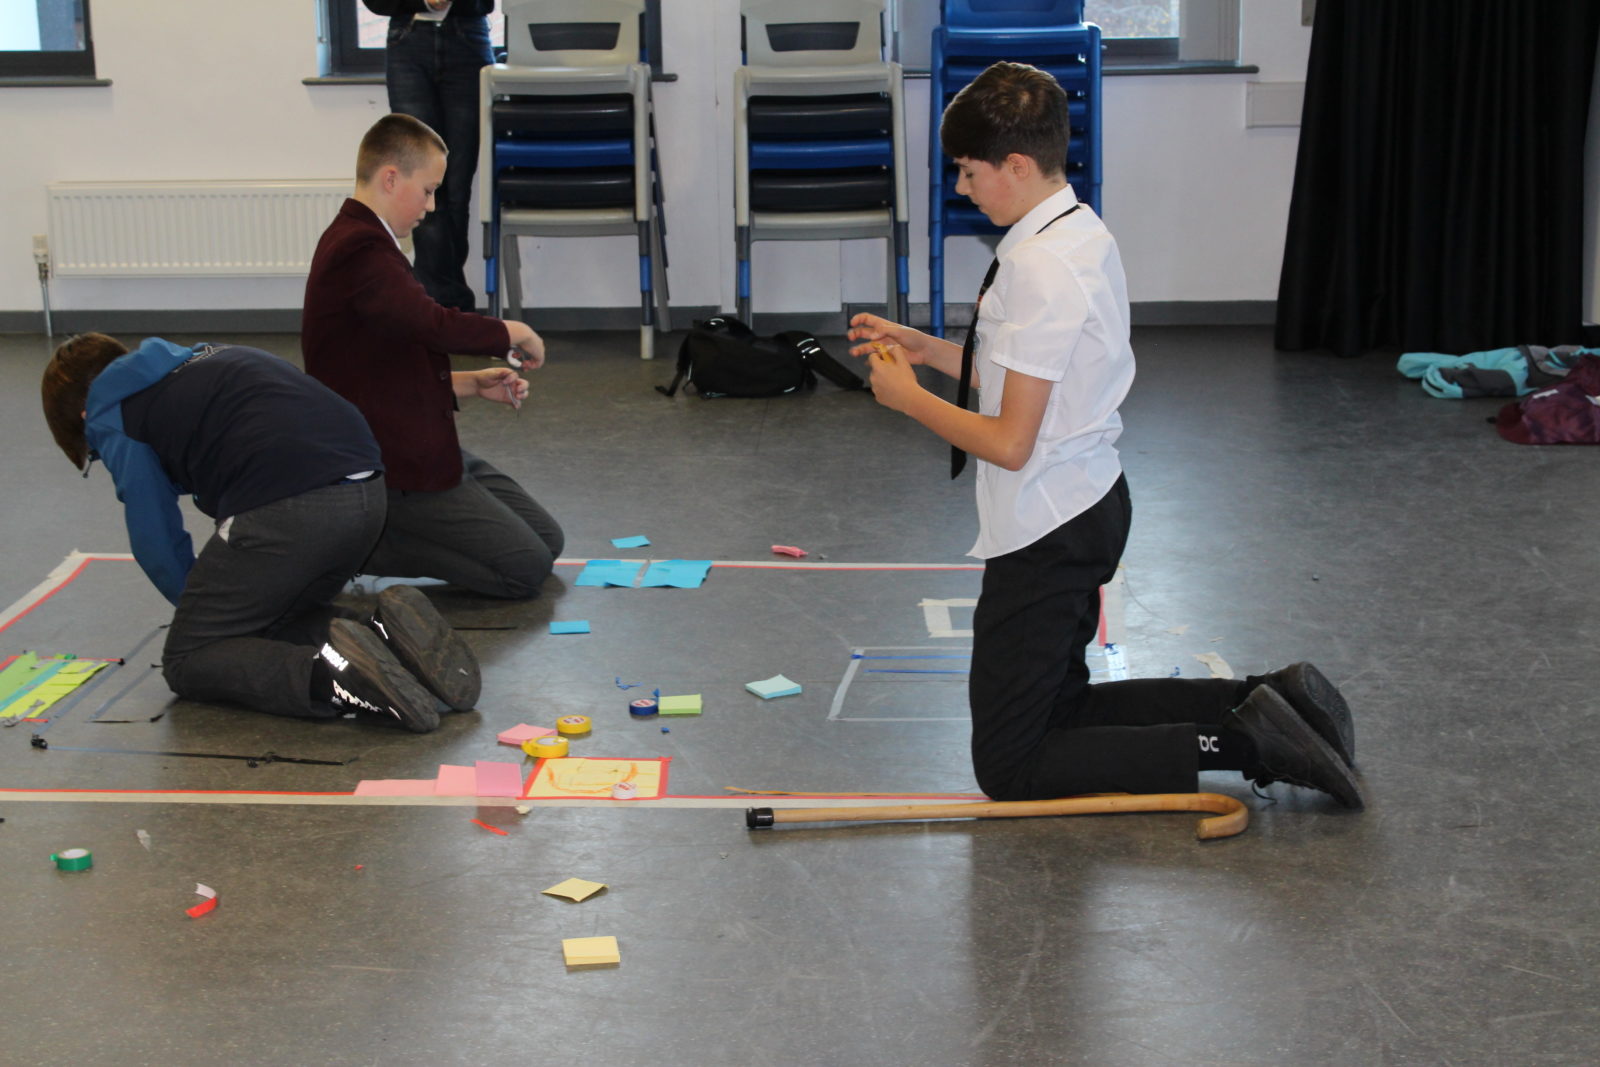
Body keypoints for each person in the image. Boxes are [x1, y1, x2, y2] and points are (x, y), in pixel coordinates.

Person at [847, 62, 1365, 809]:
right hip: (1083, 503)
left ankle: (1252, 741)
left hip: (1045, 528)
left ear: (1016, 165)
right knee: (1063, 712)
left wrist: (908, 399)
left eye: (968, 170)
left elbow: (1012, 440)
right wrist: (929, 352)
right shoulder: (1073, 229)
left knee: (1012, 765)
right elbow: (1029, 376)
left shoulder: (1038, 268)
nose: (962, 187)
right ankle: (1261, 697)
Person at [40, 333, 483, 733]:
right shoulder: (201, 359)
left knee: (189, 658)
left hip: (292, 506)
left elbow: (154, 539)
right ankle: (388, 637)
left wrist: (204, 612)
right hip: (366, 494)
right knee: (272, 615)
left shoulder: (111, 414)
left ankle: (337, 678)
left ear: (82, 412)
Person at [303, 112, 564, 600]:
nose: (431, 205)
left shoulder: (368, 241)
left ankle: (381, 533)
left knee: (548, 541)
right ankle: (359, 548)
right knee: (524, 569)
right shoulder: (360, 248)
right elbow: (431, 325)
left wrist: (469, 383)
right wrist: (511, 330)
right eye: (427, 190)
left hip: (422, 440)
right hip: (395, 464)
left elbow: (387, 359)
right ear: (390, 177)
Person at [362, 0, 495, 313]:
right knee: (420, 181)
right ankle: (445, 304)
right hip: (407, 43)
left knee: (457, 185)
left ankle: (436, 303)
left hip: (468, 41)